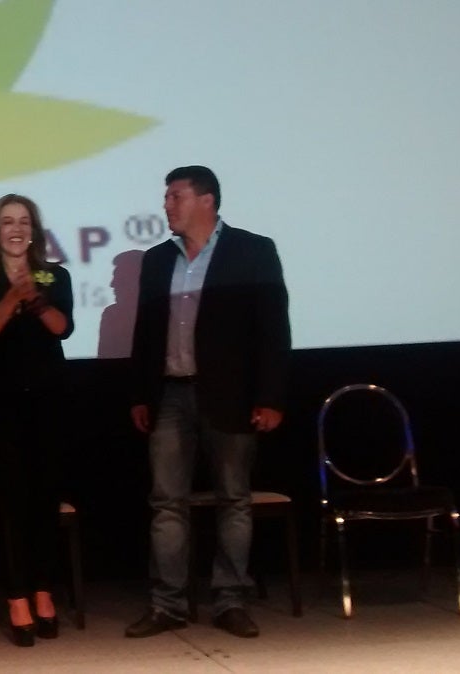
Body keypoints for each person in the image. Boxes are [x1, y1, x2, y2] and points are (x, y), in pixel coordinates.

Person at [125, 165, 290, 640]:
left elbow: (273, 330)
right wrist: (140, 394)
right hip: (170, 394)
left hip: (231, 396)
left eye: (175, 196)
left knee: (233, 499)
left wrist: (271, 396)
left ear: (206, 201)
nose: (166, 205)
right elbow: (146, 333)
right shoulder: (158, 259)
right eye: (166, 197)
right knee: (166, 502)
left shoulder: (253, 251)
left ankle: (230, 600)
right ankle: (168, 604)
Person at [0, 194, 74, 647]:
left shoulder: (54, 275)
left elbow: (63, 328)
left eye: (24, 221)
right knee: (12, 500)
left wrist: (38, 301)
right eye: (8, 222)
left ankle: (43, 591)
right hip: (3, 403)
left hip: (49, 399)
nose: (16, 229)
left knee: (45, 497)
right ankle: (16, 597)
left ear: (34, 230)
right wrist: (11, 297)